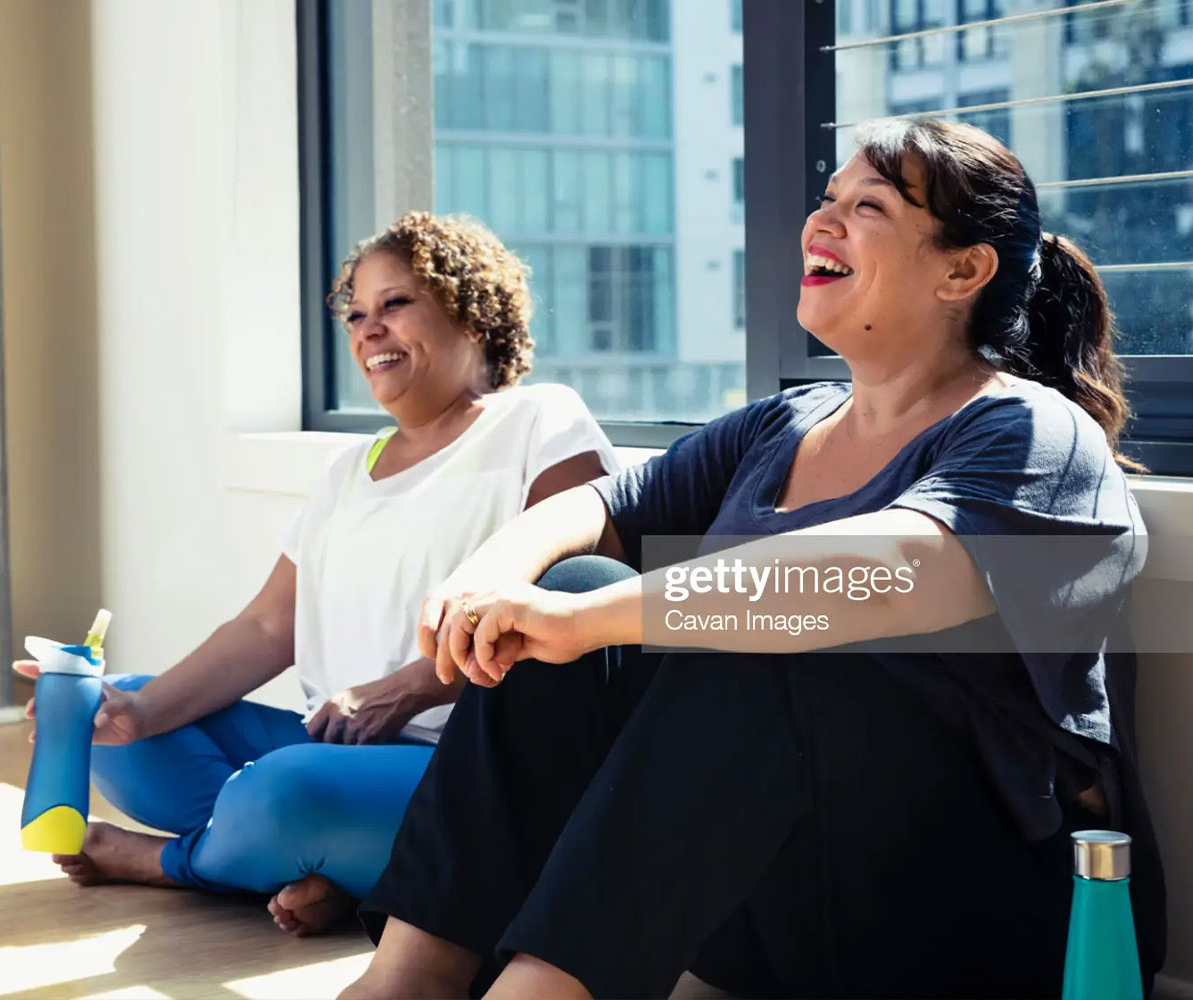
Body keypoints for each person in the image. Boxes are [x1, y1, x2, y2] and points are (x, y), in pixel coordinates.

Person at [341, 121, 1166, 999]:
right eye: (827, 200)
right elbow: (599, 507)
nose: (822, 222)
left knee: (762, 634)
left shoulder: (1031, 429)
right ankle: (408, 980)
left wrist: (586, 623)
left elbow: (886, 573)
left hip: (983, 913)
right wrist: (492, 576)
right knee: (577, 578)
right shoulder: (785, 425)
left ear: (962, 271)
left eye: (868, 207)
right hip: (783, 891)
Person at [13, 212, 617, 936]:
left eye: (395, 304)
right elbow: (268, 625)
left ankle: (175, 861)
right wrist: (135, 713)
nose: (368, 330)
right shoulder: (346, 471)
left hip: (463, 765)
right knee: (135, 721)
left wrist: (404, 688)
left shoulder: (538, 420)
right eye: (356, 314)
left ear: (474, 315)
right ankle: (336, 872)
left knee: (282, 791)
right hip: (335, 747)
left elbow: (573, 595)